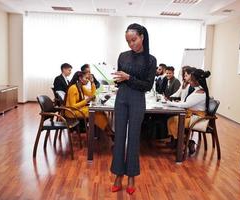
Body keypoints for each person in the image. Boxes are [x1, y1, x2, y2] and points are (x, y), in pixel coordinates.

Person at [110, 23, 156, 195]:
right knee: (119, 137)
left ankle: (131, 177)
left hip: (137, 99)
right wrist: (117, 78)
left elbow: (147, 86)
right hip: (121, 98)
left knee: (134, 138)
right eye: (128, 41)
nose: (131, 44)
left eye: (134, 40)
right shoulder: (123, 56)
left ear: (142, 37)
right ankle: (118, 175)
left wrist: (129, 77)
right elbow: (119, 80)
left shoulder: (150, 60)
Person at [166, 69, 211, 154]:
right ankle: (182, 142)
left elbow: (186, 105)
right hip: (192, 115)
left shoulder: (200, 93)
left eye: (191, 80)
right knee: (170, 120)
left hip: (196, 118)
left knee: (175, 121)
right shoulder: (197, 90)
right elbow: (187, 103)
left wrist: (170, 103)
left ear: (197, 81)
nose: (189, 82)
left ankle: (184, 142)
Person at [64, 71, 113, 135]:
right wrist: (86, 100)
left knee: (99, 111)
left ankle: (107, 131)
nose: (87, 80)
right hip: (71, 112)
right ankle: (107, 132)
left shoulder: (80, 87)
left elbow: (92, 94)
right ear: (80, 79)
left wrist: (92, 82)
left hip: (78, 109)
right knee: (96, 112)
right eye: (86, 78)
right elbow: (73, 106)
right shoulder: (73, 88)